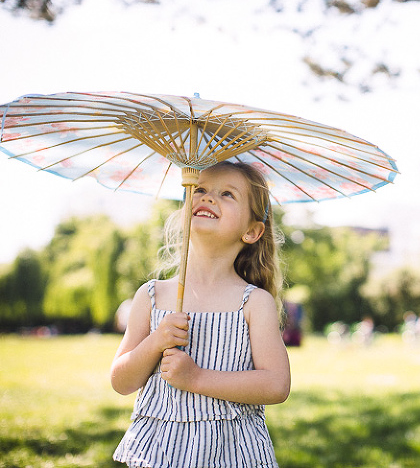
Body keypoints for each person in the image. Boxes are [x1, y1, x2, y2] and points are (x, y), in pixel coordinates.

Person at [110, 161, 290, 468]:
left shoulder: (252, 303)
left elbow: (276, 385)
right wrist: (155, 342)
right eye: (201, 189)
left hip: (232, 453)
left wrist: (197, 378)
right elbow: (121, 381)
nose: (207, 198)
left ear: (252, 231)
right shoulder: (151, 296)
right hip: (161, 451)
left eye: (227, 194)